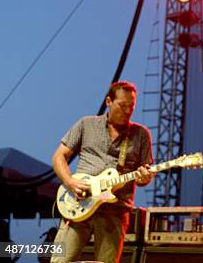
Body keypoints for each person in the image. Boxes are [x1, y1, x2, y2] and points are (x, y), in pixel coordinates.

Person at [51, 81, 154, 263]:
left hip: (115, 210)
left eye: (131, 106)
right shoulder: (86, 124)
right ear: (108, 101)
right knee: (61, 260)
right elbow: (59, 156)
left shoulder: (141, 135)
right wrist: (70, 182)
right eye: (122, 105)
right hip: (79, 201)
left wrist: (145, 177)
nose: (127, 111)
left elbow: (143, 176)